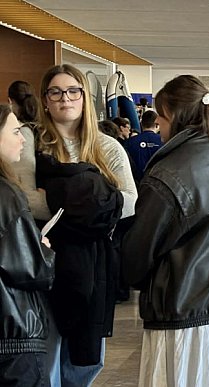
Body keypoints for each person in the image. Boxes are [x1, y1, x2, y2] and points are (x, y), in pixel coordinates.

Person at [121, 75, 209, 385]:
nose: (157, 123)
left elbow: (136, 258)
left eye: (160, 114)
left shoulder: (169, 173)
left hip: (185, 318)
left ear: (172, 115)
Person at [36, 64, 137, 386]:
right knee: (47, 352)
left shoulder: (107, 147)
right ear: (46, 99)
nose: (65, 98)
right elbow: (23, 198)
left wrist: (71, 206)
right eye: (56, 91)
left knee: (86, 358)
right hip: (45, 259)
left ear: (84, 96)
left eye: (72, 91)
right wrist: (93, 204)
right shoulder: (33, 144)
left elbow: (131, 199)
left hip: (94, 262)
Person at [0, 104, 56, 387]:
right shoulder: (7, 195)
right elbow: (33, 270)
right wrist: (43, 248)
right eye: (14, 131)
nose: (22, 139)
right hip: (14, 333)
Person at [7, 81, 49, 220]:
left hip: (35, 215)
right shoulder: (44, 129)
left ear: (10, 102)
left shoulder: (23, 133)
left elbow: (23, 185)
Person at [123, 110, 162, 182]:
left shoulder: (129, 142)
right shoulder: (164, 142)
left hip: (136, 184)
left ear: (141, 124)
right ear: (157, 125)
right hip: (158, 184)